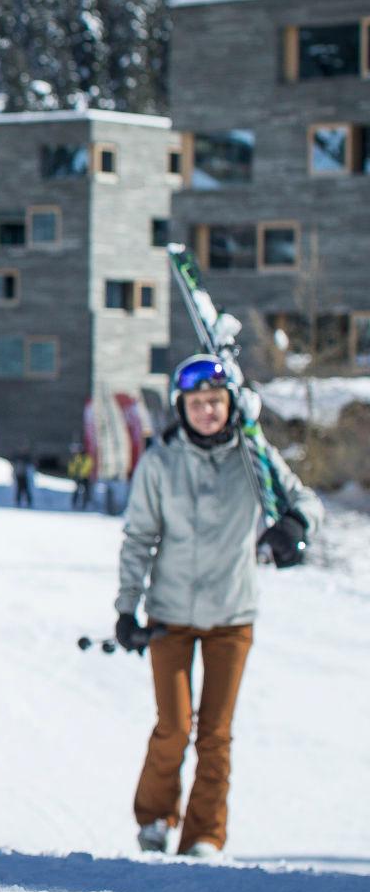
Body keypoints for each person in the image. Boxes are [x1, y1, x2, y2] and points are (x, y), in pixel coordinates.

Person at [113, 354, 322, 858]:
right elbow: (138, 537)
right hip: (171, 614)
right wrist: (126, 608)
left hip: (232, 614)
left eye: (216, 402)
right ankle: (155, 817)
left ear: (232, 406)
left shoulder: (254, 457)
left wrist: (293, 528)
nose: (207, 411)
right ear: (180, 407)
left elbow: (306, 502)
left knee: (216, 733)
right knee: (175, 726)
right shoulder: (161, 460)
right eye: (197, 403)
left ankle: (205, 834)